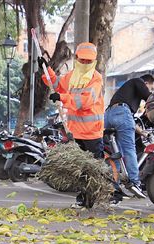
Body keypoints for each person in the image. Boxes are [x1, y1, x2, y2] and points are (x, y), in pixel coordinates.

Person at [40, 42, 107, 208]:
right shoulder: (71, 76)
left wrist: (62, 98)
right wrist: (46, 69)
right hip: (75, 132)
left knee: (93, 169)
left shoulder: (96, 79)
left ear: (94, 61)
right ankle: (83, 199)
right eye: (82, 60)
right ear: (76, 58)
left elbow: (85, 101)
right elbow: (56, 84)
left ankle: (94, 199)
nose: (85, 63)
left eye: (88, 61)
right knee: (80, 168)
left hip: (92, 133)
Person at [105, 74, 154, 198]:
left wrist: (142, 132)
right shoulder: (138, 81)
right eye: (151, 87)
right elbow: (150, 98)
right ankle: (135, 182)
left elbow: (128, 120)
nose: (150, 90)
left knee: (116, 153)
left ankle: (114, 186)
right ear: (146, 83)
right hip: (122, 114)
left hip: (108, 115)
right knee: (129, 149)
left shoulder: (124, 96)